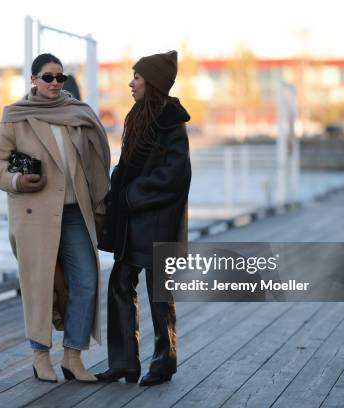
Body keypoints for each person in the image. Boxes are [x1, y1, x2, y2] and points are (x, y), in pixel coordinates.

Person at [0, 53, 110, 383]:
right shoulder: (15, 117)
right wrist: (15, 180)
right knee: (38, 286)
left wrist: (101, 204)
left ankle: (72, 356)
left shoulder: (77, 114)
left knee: (86, 280)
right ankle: (40, 356)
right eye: (48, 77)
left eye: (60, 78)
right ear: (34, 80)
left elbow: (94, 163)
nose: (55, 83)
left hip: (75, 212)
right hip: (35, 213)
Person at [96, 50, 191, 386]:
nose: (131, 82)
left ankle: (164, 361)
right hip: (132, 222)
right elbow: (129, 165)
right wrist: (115, 190)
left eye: (137, 77)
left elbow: (175, 175)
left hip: (159, 222)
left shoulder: (172, 122)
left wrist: (132, 194)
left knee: (159, 293)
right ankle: (125, 363)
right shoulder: (138, 116)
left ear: (152, 83)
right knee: (120, 282)